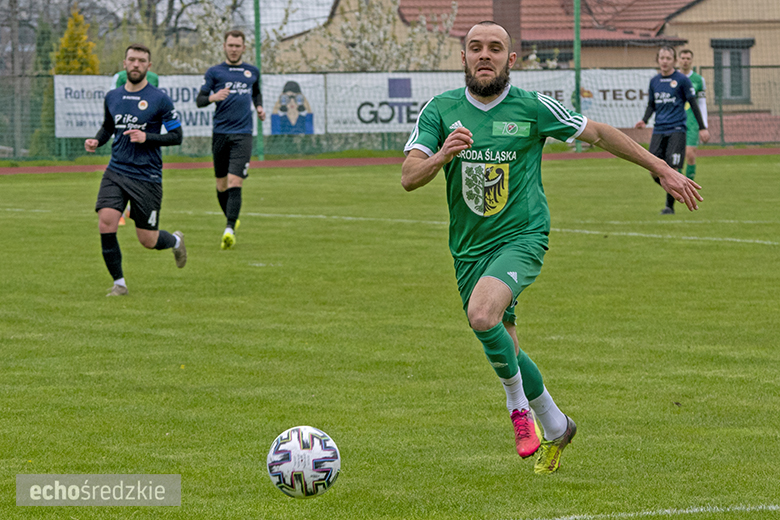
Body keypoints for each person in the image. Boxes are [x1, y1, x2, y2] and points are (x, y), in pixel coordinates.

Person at [402, 21, 702, 474]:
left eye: (496, 48)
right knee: (504, 343)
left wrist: (661, 168)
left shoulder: (530, 107)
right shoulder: (440, 110)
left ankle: (518, 409)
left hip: (522, 237)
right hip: (468, 249)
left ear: (512, 60)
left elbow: (598, 133)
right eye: (476, 48)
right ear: (463, 57)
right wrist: (443, 154)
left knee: (482, 315)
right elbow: (409, 176)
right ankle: (557, 424)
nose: (485, 55)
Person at [85, 43, 187, 296]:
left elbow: (177, 136)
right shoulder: (113, 96)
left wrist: (147, 137)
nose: (136, 65)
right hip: (116, 170)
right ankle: (119, 284)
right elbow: (108, 127)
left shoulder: (159, 99)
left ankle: (175, 241)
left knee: (147, 240)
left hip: (147, 176)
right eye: (132, 60)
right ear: (124, 63)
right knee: (106, 221)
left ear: (149, 66)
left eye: (141, 61)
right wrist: (97, 140)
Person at [196, 29, 266, 250]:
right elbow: (199, 100)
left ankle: (229, 230)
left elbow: (256, 92)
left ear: (244, 48)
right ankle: (231, 217)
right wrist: (212, 97)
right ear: (224, 46)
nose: (234, 49)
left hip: (243, 134)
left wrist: (260, 107)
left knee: (236, 181)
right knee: (221, 185)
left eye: (238, 46)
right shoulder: (215, 72)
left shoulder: (252, 71)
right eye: (230, 45)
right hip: (220, 134)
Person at [635, 46, 709, 215]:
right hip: (659, 130)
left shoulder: (682, 80)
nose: (665, 61)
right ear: (658, 60)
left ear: (673, 61)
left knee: (673, 169)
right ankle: (678, 189)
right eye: (662, 58)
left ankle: (669, 207)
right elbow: (652, 104)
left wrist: (703, 128)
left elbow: (695, 104)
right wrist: (644, 120)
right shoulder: (654, 81)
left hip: (677, 129)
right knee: (653, 170)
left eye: (668, 58)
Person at [111, 70, 159, 226]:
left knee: (142, 168)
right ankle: (118, 211)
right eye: (132, 59)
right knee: (121, 170)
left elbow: (152, 102)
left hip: (144, 132)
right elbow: (116, 101)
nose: (136, 64)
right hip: (124, 130)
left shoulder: (153, 78)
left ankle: (132, 207)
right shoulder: (119, 77)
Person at [677, 49, 708, 183]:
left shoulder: (698, 80)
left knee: (690, 154)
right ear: (678, 60)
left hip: (692, 122)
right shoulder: (673, 78)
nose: (685, 61)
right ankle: (677, 184)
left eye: (688, 58)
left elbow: (702, 103)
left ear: (691, 60)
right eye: (683, 58)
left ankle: (689, 184)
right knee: (676, 157)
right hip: (675, 122)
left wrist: (704, 126)